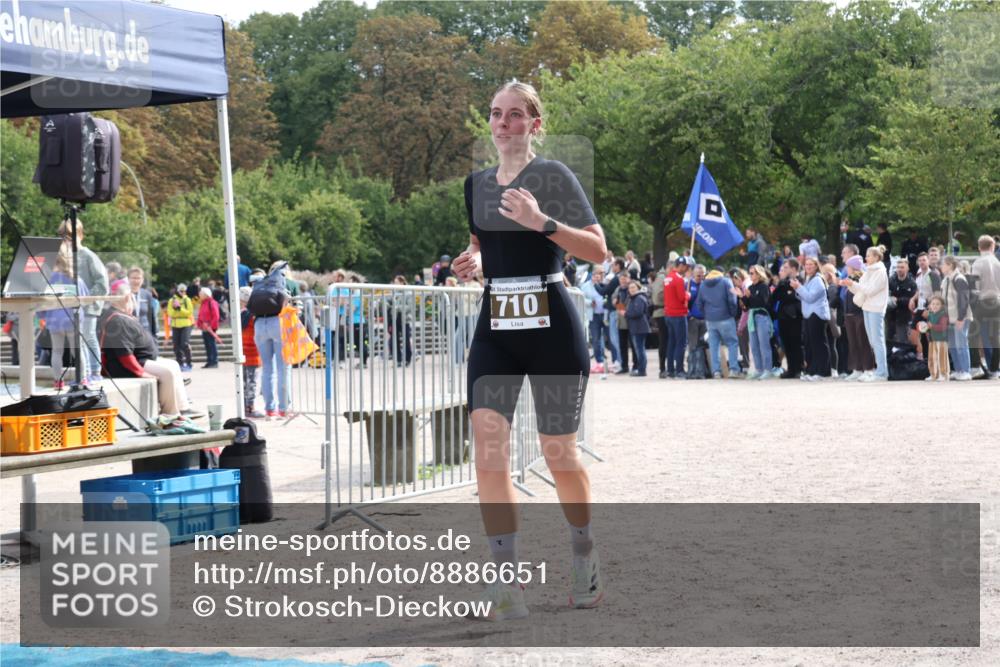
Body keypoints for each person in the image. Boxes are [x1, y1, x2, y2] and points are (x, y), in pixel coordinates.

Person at [451, 80, 607, 618]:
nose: (503, 123)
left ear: (534, 124)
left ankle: (583, 555)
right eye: (496, 114)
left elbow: (599, 251)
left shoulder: (554, 177)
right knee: (488, 447)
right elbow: (483, 246)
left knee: (558, 451)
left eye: (515, 115)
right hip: (495, 326)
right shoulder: (475, 185)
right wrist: (471, 262)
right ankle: (506, 582)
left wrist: (544, 222)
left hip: (552, 327)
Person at [98, 283, 203, 422]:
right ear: (127, 298)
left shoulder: (120, 315)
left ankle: (183, 408)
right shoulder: (117, 320)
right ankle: (170, 413)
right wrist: (142, 373)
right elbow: (125, 356)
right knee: (167, 373)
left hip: (141, 358)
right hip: (123, 366)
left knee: (173, 365)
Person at [58, 217, 108, 385]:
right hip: (74, 306)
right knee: (79, 339)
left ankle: (94, 372)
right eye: (63, 235)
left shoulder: (88, 256)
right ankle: (84, 375)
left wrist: (86, 298)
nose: (66, 239)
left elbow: (102, 283)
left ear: (80, 235)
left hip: (89, 306)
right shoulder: (64, 257)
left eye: (70, 235)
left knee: (88, 337)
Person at [39, 244, 90, 389]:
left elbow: (42, 301)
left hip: (54, 320)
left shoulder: (47, 279)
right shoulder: (76, 279)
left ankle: (58, 381)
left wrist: (42, 315)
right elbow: (85, 299)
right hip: (73, 320)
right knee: (77, 351)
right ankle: (83, 379)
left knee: (56, 351)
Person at [841, 246, 889, 382]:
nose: (866, 258)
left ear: (876, 257)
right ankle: (879, 370)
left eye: (868, 255)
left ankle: (881, 372)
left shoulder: (880, 271)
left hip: (876, 308)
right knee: (872, 341)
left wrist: (856, 285)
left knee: (877, 340)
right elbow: (861, 290)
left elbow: (870, 290)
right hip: (867, 307)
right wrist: (850, 284)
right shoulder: (868, 271)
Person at [256, 262, 292, 417]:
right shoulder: (288, 282)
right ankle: (283, 408)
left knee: (267, 368)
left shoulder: (261, 282)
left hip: (259, 324)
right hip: (278, 323)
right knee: (283, 368)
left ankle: (269, 408)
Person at [696, 268, 742, 379]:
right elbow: (732, 299)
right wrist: (733, 313)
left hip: (710, 320)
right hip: (726, 317)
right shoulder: (726, 281)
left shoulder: (703, 285)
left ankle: (716, 371)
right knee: (732, 343)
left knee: (714, 346)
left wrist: (706, 314)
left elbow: (699, 303)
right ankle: (733, 370)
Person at [792, 256, 832, 380]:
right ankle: (812, 371)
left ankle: (822, 372)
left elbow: (810, 297)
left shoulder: (818, 280)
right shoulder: (808, 279)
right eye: (806, 264)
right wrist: (798, 289)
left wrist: (798, 287)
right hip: (809, 314)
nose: (808, 267)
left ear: (816, 266)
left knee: (818, 344)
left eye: (811, 264)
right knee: (809, 344)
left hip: (817, 315)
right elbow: (803, 296)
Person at [971, 235, 1000, 379]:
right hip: (996, 300)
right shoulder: (997, 262)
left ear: (979, 247)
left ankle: (976, 366)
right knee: (995, 337)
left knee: (972, 334)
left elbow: (973, 287)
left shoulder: (977, 263)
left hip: (982, 301)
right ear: (992, 246)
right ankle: (995, 369)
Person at [939, 255, 973, 381]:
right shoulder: (946, 280)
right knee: (953, 345)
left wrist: (960, 318)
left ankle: (965, 371)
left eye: (943, 264)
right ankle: (958, 370)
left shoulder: (959, 279)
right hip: (949, 319)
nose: (941, 266)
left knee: (961, 344)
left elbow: (963, 299)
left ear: (950, 265)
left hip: (959, 318)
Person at [738, 265, 773, 379]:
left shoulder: (763, 286)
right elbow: (746, 307)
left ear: (759, 274)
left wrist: (749, 296)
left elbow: (763, 302)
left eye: (752, 273)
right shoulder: (751, 287)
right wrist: (742, 298)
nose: (750, 275)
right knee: (754, 345)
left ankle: (767, 369)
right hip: (752, 317)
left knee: (764, 344)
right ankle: (759, 369)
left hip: (761, 317)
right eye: (750, 273)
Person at [773, 259, 804, 379]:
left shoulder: (800, 280)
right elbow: (776, 297)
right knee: (787, 345)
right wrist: (783, 287)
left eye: (786, 267)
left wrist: (786, 293)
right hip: (783, 317)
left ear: (794, 269)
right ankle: (791, 369)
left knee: (796, 344)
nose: (784, 269)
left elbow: (793, 297)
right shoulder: (783, 282)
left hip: (795, 317)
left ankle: (799, 368)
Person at [662, 257, 691, 378]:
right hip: (678, 314)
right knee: (681, 343)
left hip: (669, 314)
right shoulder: (679, 279)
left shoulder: (667, 278)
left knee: (671, 342)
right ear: (681, 265)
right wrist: (688, 295)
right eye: (686, 266)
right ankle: (679, 369)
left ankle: (670, 370)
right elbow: (681, 297)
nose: (687, 269)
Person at [238, 287, 264, 417]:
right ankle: (250, 407)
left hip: (242, 350)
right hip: (253, 350)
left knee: (243, 381)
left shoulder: (239, 314)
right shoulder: (254, 315)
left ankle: (244, 406)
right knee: (252, 381)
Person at [581, 267, 610, 373]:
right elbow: (582, 297)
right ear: (592, 276)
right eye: (595, 276)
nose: (597, 278)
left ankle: (612, 361)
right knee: (596, 339)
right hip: (593, 316)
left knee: (609, 338)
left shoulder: (605, 284)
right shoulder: (585, 286)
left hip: (605, 314)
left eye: (599, 276)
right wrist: (590, 302)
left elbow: (608, 295)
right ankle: (599, 361)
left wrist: (607, 301)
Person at [127, 267, 159, 351]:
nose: (136, 281)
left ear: (142, 280)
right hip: (128, 335)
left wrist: (154, 337)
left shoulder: (147, 295)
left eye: (138, 278)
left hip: (145, 334)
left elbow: (152, 317)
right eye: (133, 278)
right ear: (128, 279)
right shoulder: (123, 294)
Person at [887, 258, 917, 345]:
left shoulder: (912, 283)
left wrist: (898, 300)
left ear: (907, 268)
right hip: (891, 316)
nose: (900, 269)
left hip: (904, 317)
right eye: (898, 267)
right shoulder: (891, 280)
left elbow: (913, 300)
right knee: (889, 341)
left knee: (902, 342)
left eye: (902, 267)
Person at [166, 283, 194, 372]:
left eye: (184, 291)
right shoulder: (171, 300)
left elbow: (189, 312)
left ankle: (189, 363)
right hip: (175, 324)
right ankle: (180, 363)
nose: (183, 293)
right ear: (178, 291)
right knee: (176, 345)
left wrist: (179, 309)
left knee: (184, 344)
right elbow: (170, 313)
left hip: (186, 323)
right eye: (181, 291)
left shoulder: (187, 300)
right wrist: (176, 310)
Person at [921, 295, 950, 381]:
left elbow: (943, 327)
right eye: (933, 304)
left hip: (941, 341)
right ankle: (933, 374)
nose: (935, 306)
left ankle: (943, 374)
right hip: (932, 340)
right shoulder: (930, 315)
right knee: (932, 357)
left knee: (941, 357)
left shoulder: (943, 315)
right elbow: (928, 327)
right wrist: (925, 328)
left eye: (937, 304)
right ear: (929, 306)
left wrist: (932, 326)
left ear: (942, 306)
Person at [625, 281, 650, 376]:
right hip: (635, 327)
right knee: (639, 349)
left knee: (640, 349)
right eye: (630, 288)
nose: (631, 289)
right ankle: (641, 369)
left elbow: (638, 312)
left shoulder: (639, 298)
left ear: (638, 288)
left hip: (640, 327)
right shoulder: (633, 298)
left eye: (633, 287)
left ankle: (642, 370)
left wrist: (626, 314)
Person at [388, 275, 414, 366]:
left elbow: (410, 307)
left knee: (406, 339)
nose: (395, 284)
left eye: (397, 282)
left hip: (405, 319)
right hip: (395, 319)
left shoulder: (408, 293)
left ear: (402, 282)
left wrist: (398, 308)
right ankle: (398, 360)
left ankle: (407, 359)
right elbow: (388, 301)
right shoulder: (394, 293)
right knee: (394, 340)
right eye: (394, 282)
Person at [196, 286, 220, 368]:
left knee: (211, 344)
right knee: (207, 344)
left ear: (206, 295)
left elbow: (216, 316)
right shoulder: (203, 303)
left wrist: (212, 326)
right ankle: (209, 361)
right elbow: (200, 315)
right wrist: (199, 324)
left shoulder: (212, 302)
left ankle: (214, 361)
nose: (199, 295)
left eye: (201, 293)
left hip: (210, 327)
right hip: (204, 327)